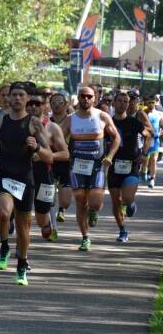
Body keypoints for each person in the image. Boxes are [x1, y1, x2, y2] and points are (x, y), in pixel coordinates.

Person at [0, 82, 52, 285]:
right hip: (4, 175)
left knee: (23, 228)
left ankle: (21, 265)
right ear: (8, 98)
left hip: (25, 179)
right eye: (14, 95)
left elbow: (49, 156)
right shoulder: (1, 120)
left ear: (27, 98)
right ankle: (4, 246)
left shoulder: (34, 123)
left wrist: (36, 147)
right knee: (4, 214)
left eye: (21, 95)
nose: (17, 98)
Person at [59, 85, 119, 252]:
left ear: (95, 98)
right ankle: (85, 237)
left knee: (95, 203)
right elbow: (58, 138)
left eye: (89, 96)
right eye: (83, 96)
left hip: (97, 166)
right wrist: (64, 152)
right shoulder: (70, 119)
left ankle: (94, 210)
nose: (86, 99)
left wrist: (110, 156)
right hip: (77, 166)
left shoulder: (102, 116)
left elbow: (116, 138)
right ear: (78, 98)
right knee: (80, 201)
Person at [26, 91, 68, 241]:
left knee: (40, 218)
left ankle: (46, 223)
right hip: (22, 172)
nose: (33, 106)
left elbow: (65, 154)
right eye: (30, 103)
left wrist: (44, 155)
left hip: (44, 173)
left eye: (37, 104)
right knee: (19, 209)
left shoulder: (52, 127)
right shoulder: (17, 123)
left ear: (44, 106)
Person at [107, 91, 149, 242]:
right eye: (120, 101)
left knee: (126, 198)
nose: (123, 104)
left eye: (126, 101)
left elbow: (148, 135)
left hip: (131, 166)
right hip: (113, 167)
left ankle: (130, 203)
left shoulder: (134, 122)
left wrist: (144, 154)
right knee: (116, 201)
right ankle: (122, 230)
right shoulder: (108, 123)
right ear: (114, 103)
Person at [49, 93, 73, 227]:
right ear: (50, 105)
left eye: (60, 103)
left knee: (66, 202)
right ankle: (52, 226)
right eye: (54, 103)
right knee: (49, 196)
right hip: (50, 161)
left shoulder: (72, 120)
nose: (57, 105)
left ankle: (62, 209)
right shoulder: (47, 121)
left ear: (66, 105)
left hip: (67, 162)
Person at [144, 97, 162, 188]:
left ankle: (152, 179)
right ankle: (145, 172)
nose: (151, 104)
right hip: (145, 140)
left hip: (155, 140)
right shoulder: (143, 113)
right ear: (147, 103)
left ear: (155, 102)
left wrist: (160, 133)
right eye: (149, 102)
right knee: (146, 160)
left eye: (152, 102)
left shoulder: (160, 114)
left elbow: (161, 126)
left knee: (154, 160)